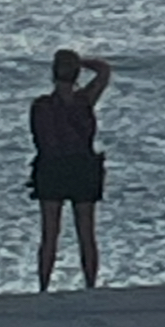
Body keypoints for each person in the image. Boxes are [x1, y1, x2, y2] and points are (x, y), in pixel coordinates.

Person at [28, 48, 111, 291]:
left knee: (49, 234)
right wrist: (80, 61)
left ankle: (43, 286)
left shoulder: (41, 105)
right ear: (76, 75)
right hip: (82, 168)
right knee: (86, 233)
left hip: (51, 168)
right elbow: (104, 70)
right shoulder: (84, 100)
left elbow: (40, 138)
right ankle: (90, 284)